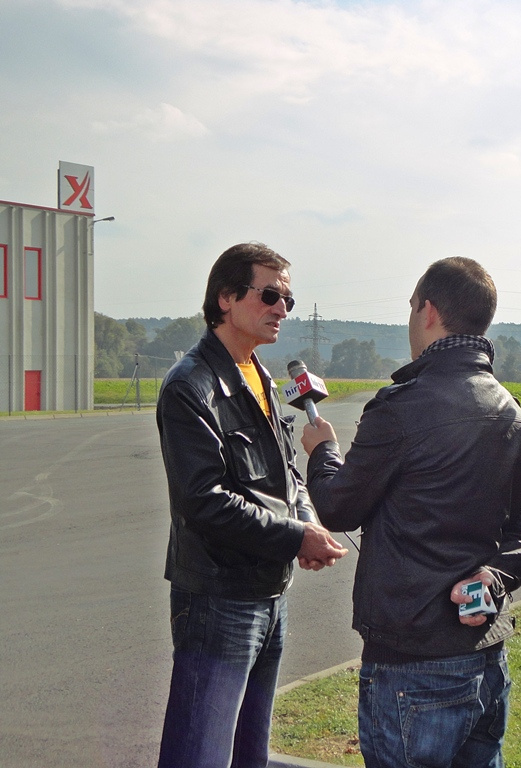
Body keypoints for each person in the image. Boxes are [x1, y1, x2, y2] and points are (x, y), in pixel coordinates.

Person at [300, 256, 521, 768]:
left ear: (429, 311)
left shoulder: (401, 407)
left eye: (412, 307)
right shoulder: (510, 409)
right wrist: (496, 578)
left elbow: (337, 505)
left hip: (412, 663)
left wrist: (322, 450)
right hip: (486, 655)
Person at [156, 242, 348, 768]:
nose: (282, 309)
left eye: (287, 298)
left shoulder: (260, 377)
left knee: (248, 757)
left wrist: (306, 523)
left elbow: (288, 476)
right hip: (219, 599)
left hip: (269, 593)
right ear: (226, 297)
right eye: (269, 295)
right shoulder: (191, 386)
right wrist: (294, 537)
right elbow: (204, 500)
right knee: (199, 753)